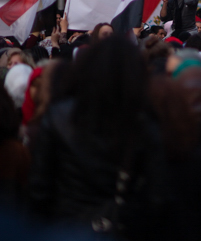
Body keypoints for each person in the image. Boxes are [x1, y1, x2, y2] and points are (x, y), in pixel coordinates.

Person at [28, 36, 166, 239]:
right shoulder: (145, 124)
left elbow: (39, 190)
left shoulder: (59, 116)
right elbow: (156, 198)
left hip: (66, 227)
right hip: (121, 229)